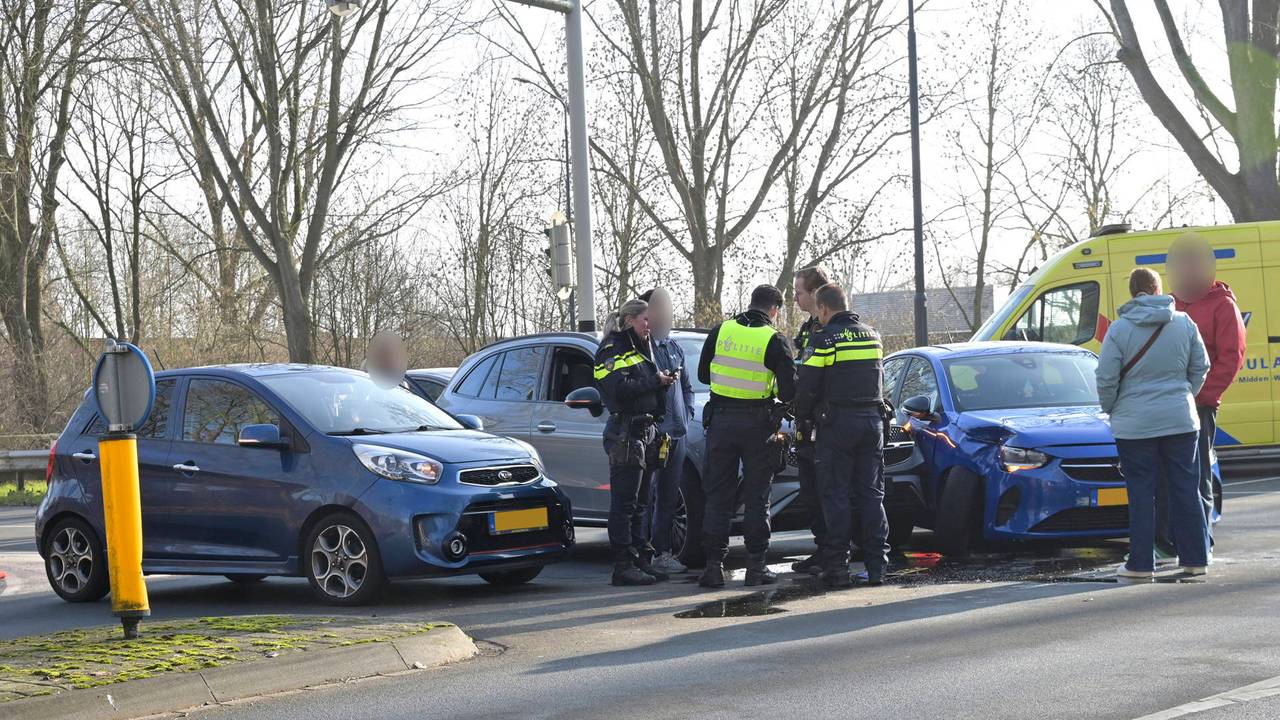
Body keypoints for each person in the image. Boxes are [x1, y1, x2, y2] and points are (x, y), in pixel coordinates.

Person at [1096, 268, 1210, 579]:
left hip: (1135, 426)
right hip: (1181, 421)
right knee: (1187, 490)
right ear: (1158, 289)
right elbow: (1202, 366)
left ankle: (1141, 563)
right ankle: (1196, 558)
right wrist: (1184, 394)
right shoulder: (1184, 323)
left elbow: (1106, 377)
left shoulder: (1119, 330)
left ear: (1133, 293)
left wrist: (1112, 407)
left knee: (1142, 493)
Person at [696, 285, 797, 588]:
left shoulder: (721, 331)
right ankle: (756, 567)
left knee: (718, 496)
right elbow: (789, 391)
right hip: (757, 425)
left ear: (750, 303)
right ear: (775, 310)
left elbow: (704, 375)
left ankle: (713, 568)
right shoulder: (773, 340)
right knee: (757, 498)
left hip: (721, 423)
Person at [794, 284, 889, 588]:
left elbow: (808, 384)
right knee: (872, 496)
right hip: (872, 423)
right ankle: (877, 566)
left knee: (835, 495)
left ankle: (837, 567)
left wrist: (801, 417)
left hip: (837, 425)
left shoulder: (825, 339)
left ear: (823, 308)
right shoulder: (873, 336)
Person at [1167, 233, 1245, 546]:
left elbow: (1231, 358)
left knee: (1199, 473)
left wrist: (1203, 396)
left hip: (1199, 405)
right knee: (1175, 475)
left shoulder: (1223, 305)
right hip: (1170, 405)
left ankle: (1202, 539)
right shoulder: (1173, 303)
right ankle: (1177, 537)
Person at [595, 298, 679, 586]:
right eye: (645, 319)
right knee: (625, 504)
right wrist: (656, 382)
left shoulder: (646, 347)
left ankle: (641, 558)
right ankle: (623, 565)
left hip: (648, 432)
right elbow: (617, 389)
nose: (650, 324)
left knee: (643, 503)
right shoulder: (612, 348)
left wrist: (664, 380)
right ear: (630, 319)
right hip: (626, 433)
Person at [639, 287, 694, 575]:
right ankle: (643, 553)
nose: (666, 313)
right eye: (659, 307)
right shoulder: (640, 349)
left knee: (669, 495)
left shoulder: (674, 348)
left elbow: (686, 388)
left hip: (677, 435)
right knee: (644, 496)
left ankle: (663, 552)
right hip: (652, 435)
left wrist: (687, 414)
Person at [789, 265, 832, 575]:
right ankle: (822, 549)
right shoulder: (807, 330)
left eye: (799, 292)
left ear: (816, 293)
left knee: (829, 492)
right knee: (811, 493)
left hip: (828, 425)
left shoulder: (832, 328)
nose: (794, 298)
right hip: (806, 425)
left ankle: (834, 552)